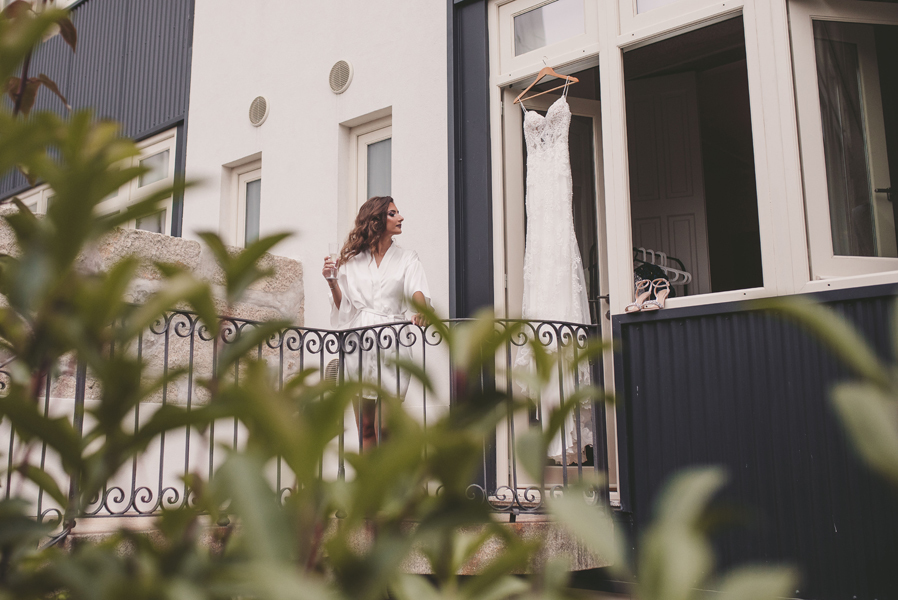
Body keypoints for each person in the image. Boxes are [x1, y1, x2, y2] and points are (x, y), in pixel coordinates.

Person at [322, 196, 431, 450]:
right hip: (358, 345)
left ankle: (391, 486)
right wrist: (331, 280)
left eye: (397, 213)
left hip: (392, 343)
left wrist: (421, 310)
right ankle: (367, 487)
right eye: (393, 213)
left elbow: (417, 292)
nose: (400, 217)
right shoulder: (352, 260)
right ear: (376, 220)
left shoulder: (407, 258)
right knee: (366, 429)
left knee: (386, 428)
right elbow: (344, 307)